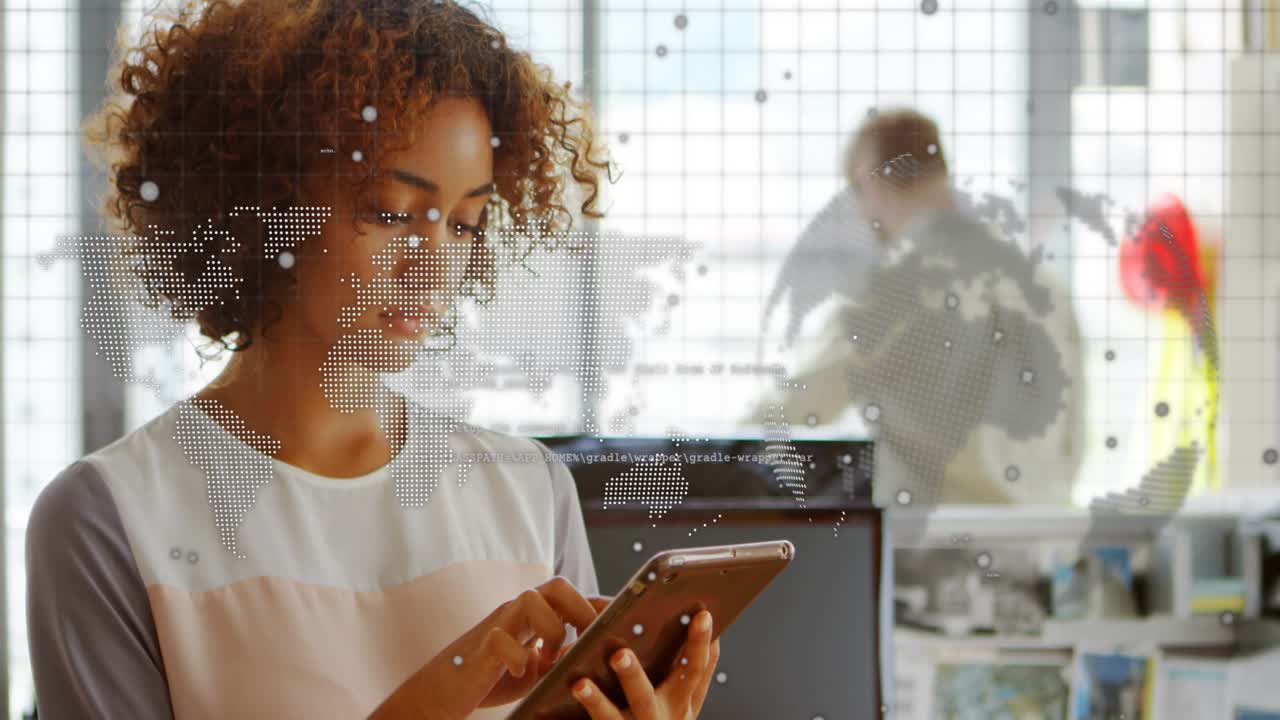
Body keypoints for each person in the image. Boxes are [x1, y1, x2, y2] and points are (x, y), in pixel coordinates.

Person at [26, 1, 719, 718]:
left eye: (464, 224)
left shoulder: (531, 494)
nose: (434, 268)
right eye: (390, 212)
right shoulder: (107, 521)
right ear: (264, 200)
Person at [750, 108, 1086, 508]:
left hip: (934, 540)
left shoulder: (885, 293)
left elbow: (794, 408)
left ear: (869, 180)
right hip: (1046, 536)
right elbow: (1076, 437)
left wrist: (707, 456)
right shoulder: (1047, 289)